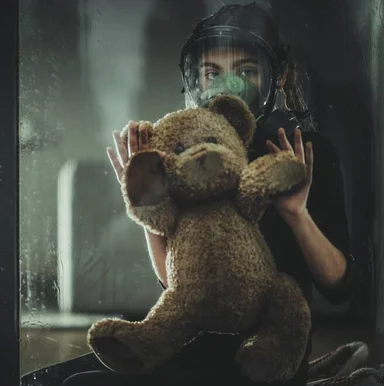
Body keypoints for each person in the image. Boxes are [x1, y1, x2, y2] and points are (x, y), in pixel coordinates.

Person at [21, 3, 357, 386]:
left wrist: (297, 214)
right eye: (211, 72)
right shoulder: (185, 153)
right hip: (192, 342)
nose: (227, 85)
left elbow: (339, 287)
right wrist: (146, 203)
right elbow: (176, 283)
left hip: (265, 361)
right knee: (41, 380)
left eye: (245, 71)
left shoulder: (301, 151)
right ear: (192, 79)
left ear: (277, 76)